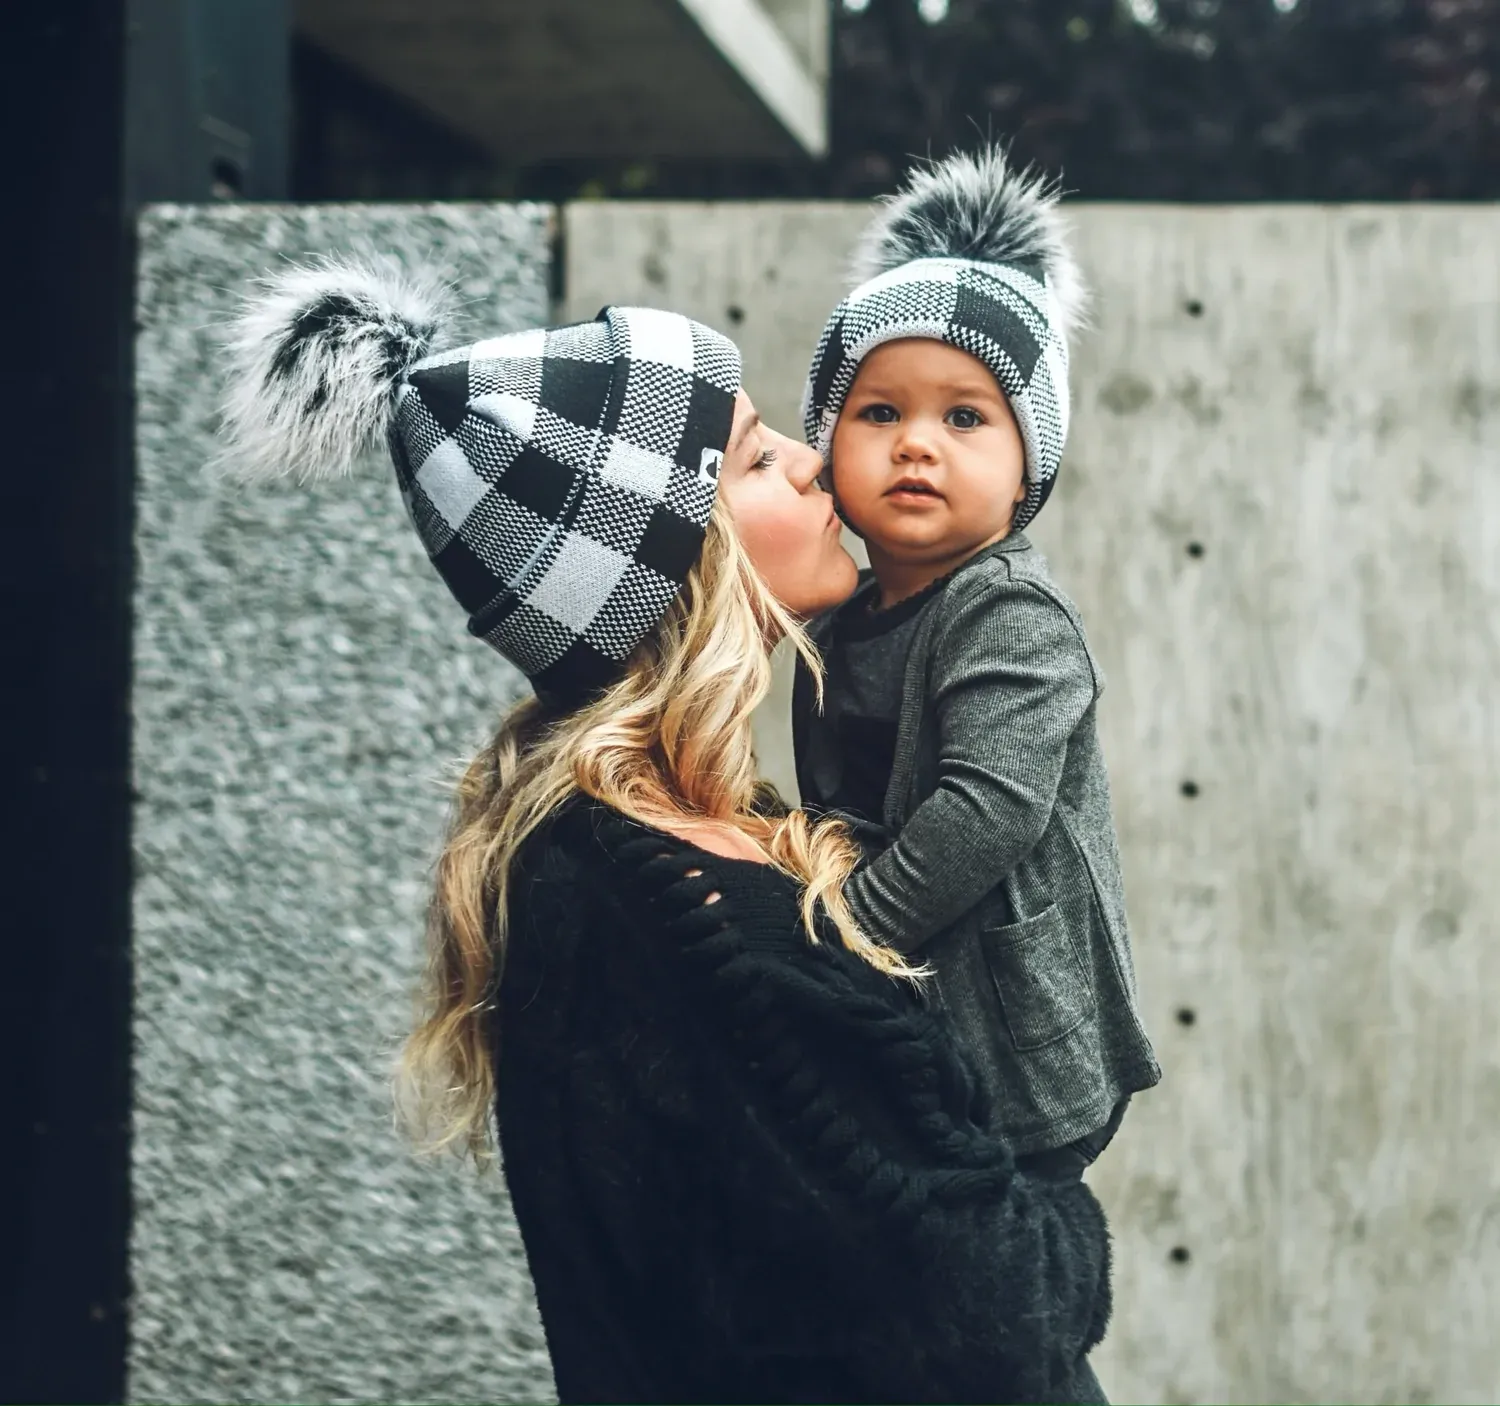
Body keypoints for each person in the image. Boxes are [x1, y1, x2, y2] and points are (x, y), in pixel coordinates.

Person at [219, 259, 1113, 1403]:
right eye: (751, 456)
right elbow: (1009, 1317)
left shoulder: (609, 850)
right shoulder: (705, 926)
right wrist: (1068, 1209)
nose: (811, 454)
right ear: (670, 561)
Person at [794, 147, 1161, 1180]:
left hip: (1020, 1042)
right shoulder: (843, 609)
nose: (918, 444)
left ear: (1026, 467)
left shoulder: (1009, 609)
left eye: (964, 417)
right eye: (880, 412)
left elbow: (986, 810)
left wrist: (840, 938)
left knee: (1002, 1262)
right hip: (917, 1011)